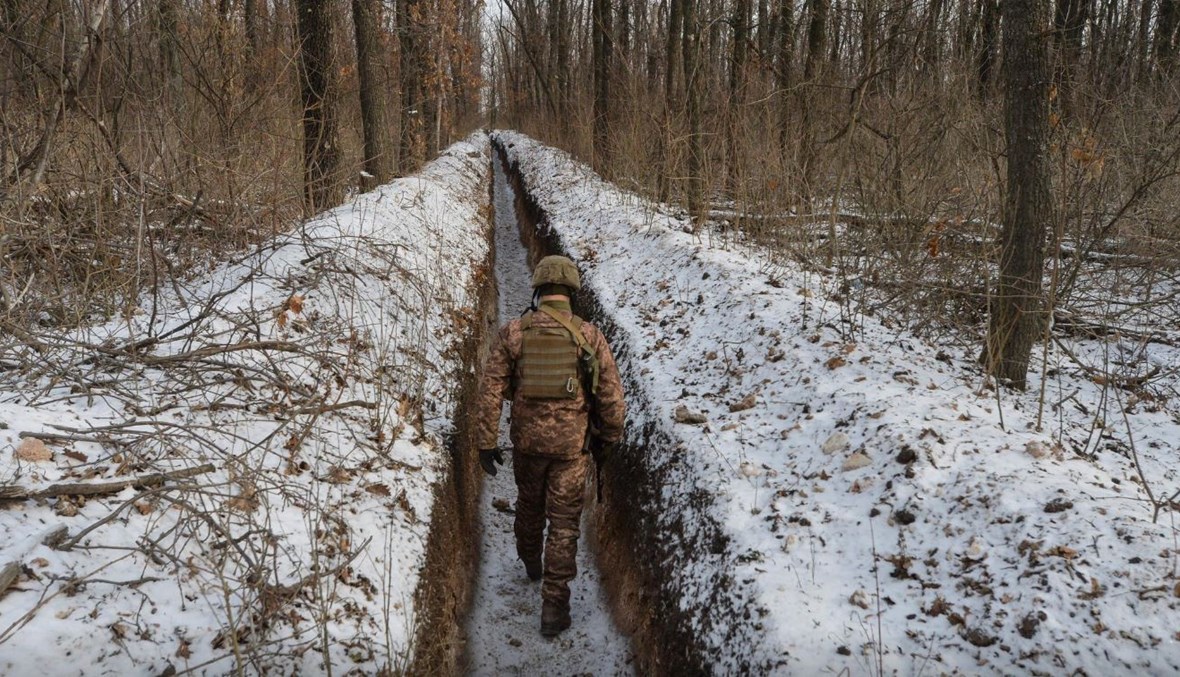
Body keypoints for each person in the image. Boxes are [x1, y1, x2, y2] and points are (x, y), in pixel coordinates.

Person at [474, 254, 626, 637]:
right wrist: (608, 439)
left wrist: (485, 442)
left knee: (528, 505)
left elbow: (491, 390)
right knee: (563, 525)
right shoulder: (589, 336)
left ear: (539, 289)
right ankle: (554, 607)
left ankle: (530, 561)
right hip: (570, 450)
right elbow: (611, 399)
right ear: (571, 291)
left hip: (526, 445)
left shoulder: (514, 332)